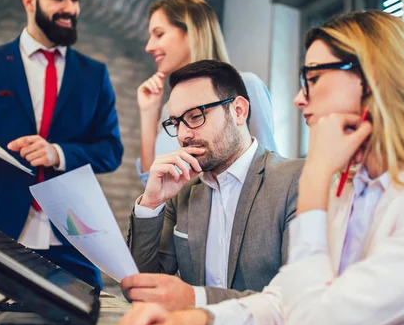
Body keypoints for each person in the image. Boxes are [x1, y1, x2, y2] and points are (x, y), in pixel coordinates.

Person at [116, 10, 404, 325]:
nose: (299, 99)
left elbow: (314, 323)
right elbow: (286, 300)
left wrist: (315, 177)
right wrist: (193, 322)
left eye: (312, 79)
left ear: (373, 78)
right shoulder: (356, 186)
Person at [0, 0, 123, 287]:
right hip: (0, 230)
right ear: (29, 0)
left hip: (74, 235)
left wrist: (58, 154)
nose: (70, 8)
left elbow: (111, 151)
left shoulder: (95, 75)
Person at [122, 60, 302, 311]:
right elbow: (139, 289)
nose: (184, 135)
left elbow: (296, 297)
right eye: (176, 123)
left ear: (238, 111)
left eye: (195, 117)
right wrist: (151, 203)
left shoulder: (294, 182)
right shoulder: (181, 192)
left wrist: (196, 300)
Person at [137, 0, 277, 186]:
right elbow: (152, 184)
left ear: (192, 31)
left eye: (159, 34)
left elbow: (269, 171)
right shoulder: (170, 110)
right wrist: (148, 112)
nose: (149, 46)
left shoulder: (247, 85)